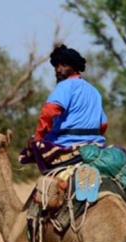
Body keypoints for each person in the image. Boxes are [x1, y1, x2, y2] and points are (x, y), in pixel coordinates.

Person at [20, 44, 109, 173]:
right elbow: (103, 125)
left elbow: (49, 112)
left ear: (74, 67)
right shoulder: (94, 91)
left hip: (67, 146)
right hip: (96, 147)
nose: (58, 70)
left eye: (64, 66)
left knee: (31, 147)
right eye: (57, 66)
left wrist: (38, 138)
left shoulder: (65, 86)